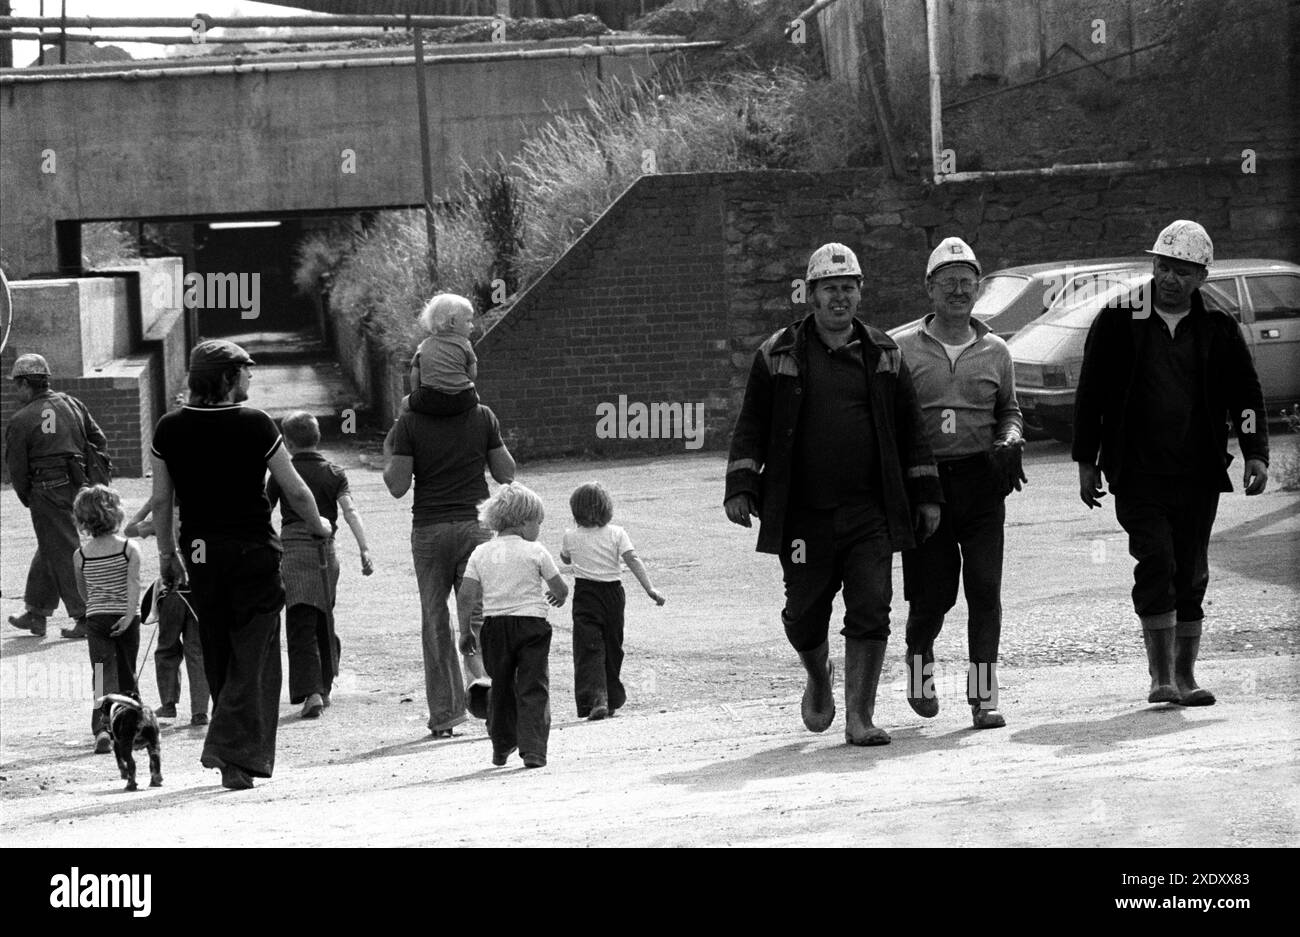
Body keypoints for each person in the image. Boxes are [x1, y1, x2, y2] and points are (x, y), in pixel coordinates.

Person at [724, 243, 943, 746]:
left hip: (870, 512)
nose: (839, 297)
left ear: (860, 293)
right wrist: (741, 485)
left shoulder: (885, 354)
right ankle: (818, 673)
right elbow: (752, 424)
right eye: (830, 289)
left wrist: (926, 495)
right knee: (804, 614)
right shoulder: (776, 353)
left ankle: (859, 718)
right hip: (803, 518)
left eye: (848, 288)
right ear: (811, 294)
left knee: (871, 605)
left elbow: (911, 429)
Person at [1073, 220, 1269, 707]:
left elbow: (1244, 394)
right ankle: (1160, 677)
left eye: (1182, 271)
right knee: (1156, 559)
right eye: (1163, 267)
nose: (1169, 279)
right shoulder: (1119, 318)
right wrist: (1086, 460)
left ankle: (1185, 676)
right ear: (1153, 266)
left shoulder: (1217, 325)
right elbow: (1091, 393)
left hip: (1197, 469)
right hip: (1136, 469)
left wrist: (1256, 452)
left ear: (1201, 276)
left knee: (1192, 571)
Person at [150, 339, 332, 790]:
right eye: (246, 370)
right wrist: (320, 525)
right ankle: (230, 749)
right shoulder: (255, 425)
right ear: (228, 378)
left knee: (217, 647)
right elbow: (294, 489)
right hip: (253, 551)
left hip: (200, 555)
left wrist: (167, 557)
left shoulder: (169, 429)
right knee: (257, 653)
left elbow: (161, 500)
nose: (251, 376)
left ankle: (233, 757)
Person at [894, 237, 1025, 729]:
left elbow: (1009, 410)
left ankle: (983, 698)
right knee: (934, 596)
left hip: (982, 482)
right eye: (947, 282)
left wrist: (1011, 437)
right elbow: (890, 421)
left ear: (978, 290)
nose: (957, 291)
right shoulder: (902, 348)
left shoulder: (996, 350)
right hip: (926, 486)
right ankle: (917, 658)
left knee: (985, 590)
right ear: (929, 289)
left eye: (966, 283)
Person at [383, 389, 517, 736]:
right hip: (476, 525)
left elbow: (397, 485)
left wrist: (399, 428)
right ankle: (483, 681)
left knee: (435, 617)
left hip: (430, 529)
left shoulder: (410, 422)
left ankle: (445, 714)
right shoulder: (482, 415)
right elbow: (506, 473)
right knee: (477, 613)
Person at [266, 411, 374, 719]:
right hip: (327, 552)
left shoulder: (281, 474)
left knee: (301, 618)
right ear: (318, 438)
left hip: (294, 552)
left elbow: (263, 512)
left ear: (286, 442)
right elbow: (350, 512)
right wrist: (364, 548)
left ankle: (311, 689)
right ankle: (325, 684)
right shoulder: (335, 473)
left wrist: (270, 546)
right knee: (324, 616)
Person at [457, 483, 568, 768]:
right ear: (522, 521)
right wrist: (558, 596)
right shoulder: (535, 550)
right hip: (531, 626)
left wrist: (465, 630)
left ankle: (501, 744)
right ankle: (533, 749)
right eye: (537, 522)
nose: (539, 529)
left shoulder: (481, 552)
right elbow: (560, 587)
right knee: (533, 685)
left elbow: (466, 595)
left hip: (494, 629)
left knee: (502, 687)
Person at [5, 352, 107, 640]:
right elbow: (99, 440)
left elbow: (17, 469)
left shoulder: (21, 420)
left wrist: (29, 497)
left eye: (16, 385)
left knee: (63, 551)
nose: (16, 391)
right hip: (77, 486)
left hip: (47, 491)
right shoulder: (72, 404)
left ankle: (84, 615)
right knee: (50, 545)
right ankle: (36, 612)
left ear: (26, 384)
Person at [560, 481, 665, 720]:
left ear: (575, 510)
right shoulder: (617, 533)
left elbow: (565, 559)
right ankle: (610, 696)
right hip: (613, 595)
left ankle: (597, 697)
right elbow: (633, 559)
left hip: (586, 595)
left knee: (588, 648)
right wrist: (650, 588)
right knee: (613, 645)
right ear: (607, 508)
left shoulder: (570, 536)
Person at [71, 484, 142, 754]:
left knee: (101, 674)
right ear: (116, 514)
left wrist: (94, 607)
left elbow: (82, 590)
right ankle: (131, 727)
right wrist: (127, 614)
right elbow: (134, 584)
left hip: (96, 617)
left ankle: (101, 728)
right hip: (126, 617)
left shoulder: (81, 555)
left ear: (82, 520)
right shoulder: (129, 549)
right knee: (127, 672)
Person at [127, 500, 210, 726]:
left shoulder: (161, 518)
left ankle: (169, 703)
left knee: (167, 650)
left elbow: (129, 529)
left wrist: (150, 505)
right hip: (197, 595)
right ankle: (200, 710)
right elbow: (199, 561)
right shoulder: (202, 516)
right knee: (197, 652)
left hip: (171, 593)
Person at [403, 293, 480, 417]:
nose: (472, 326)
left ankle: (406, 424)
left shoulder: (424, 345)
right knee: (476, 399)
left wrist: (416, 394)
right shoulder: (465, 344)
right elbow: (473, 373)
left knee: (404, 403)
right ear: (452, 322)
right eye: (468, 321)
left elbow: (414, 374)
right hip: (462, 398)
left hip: (430, 398)